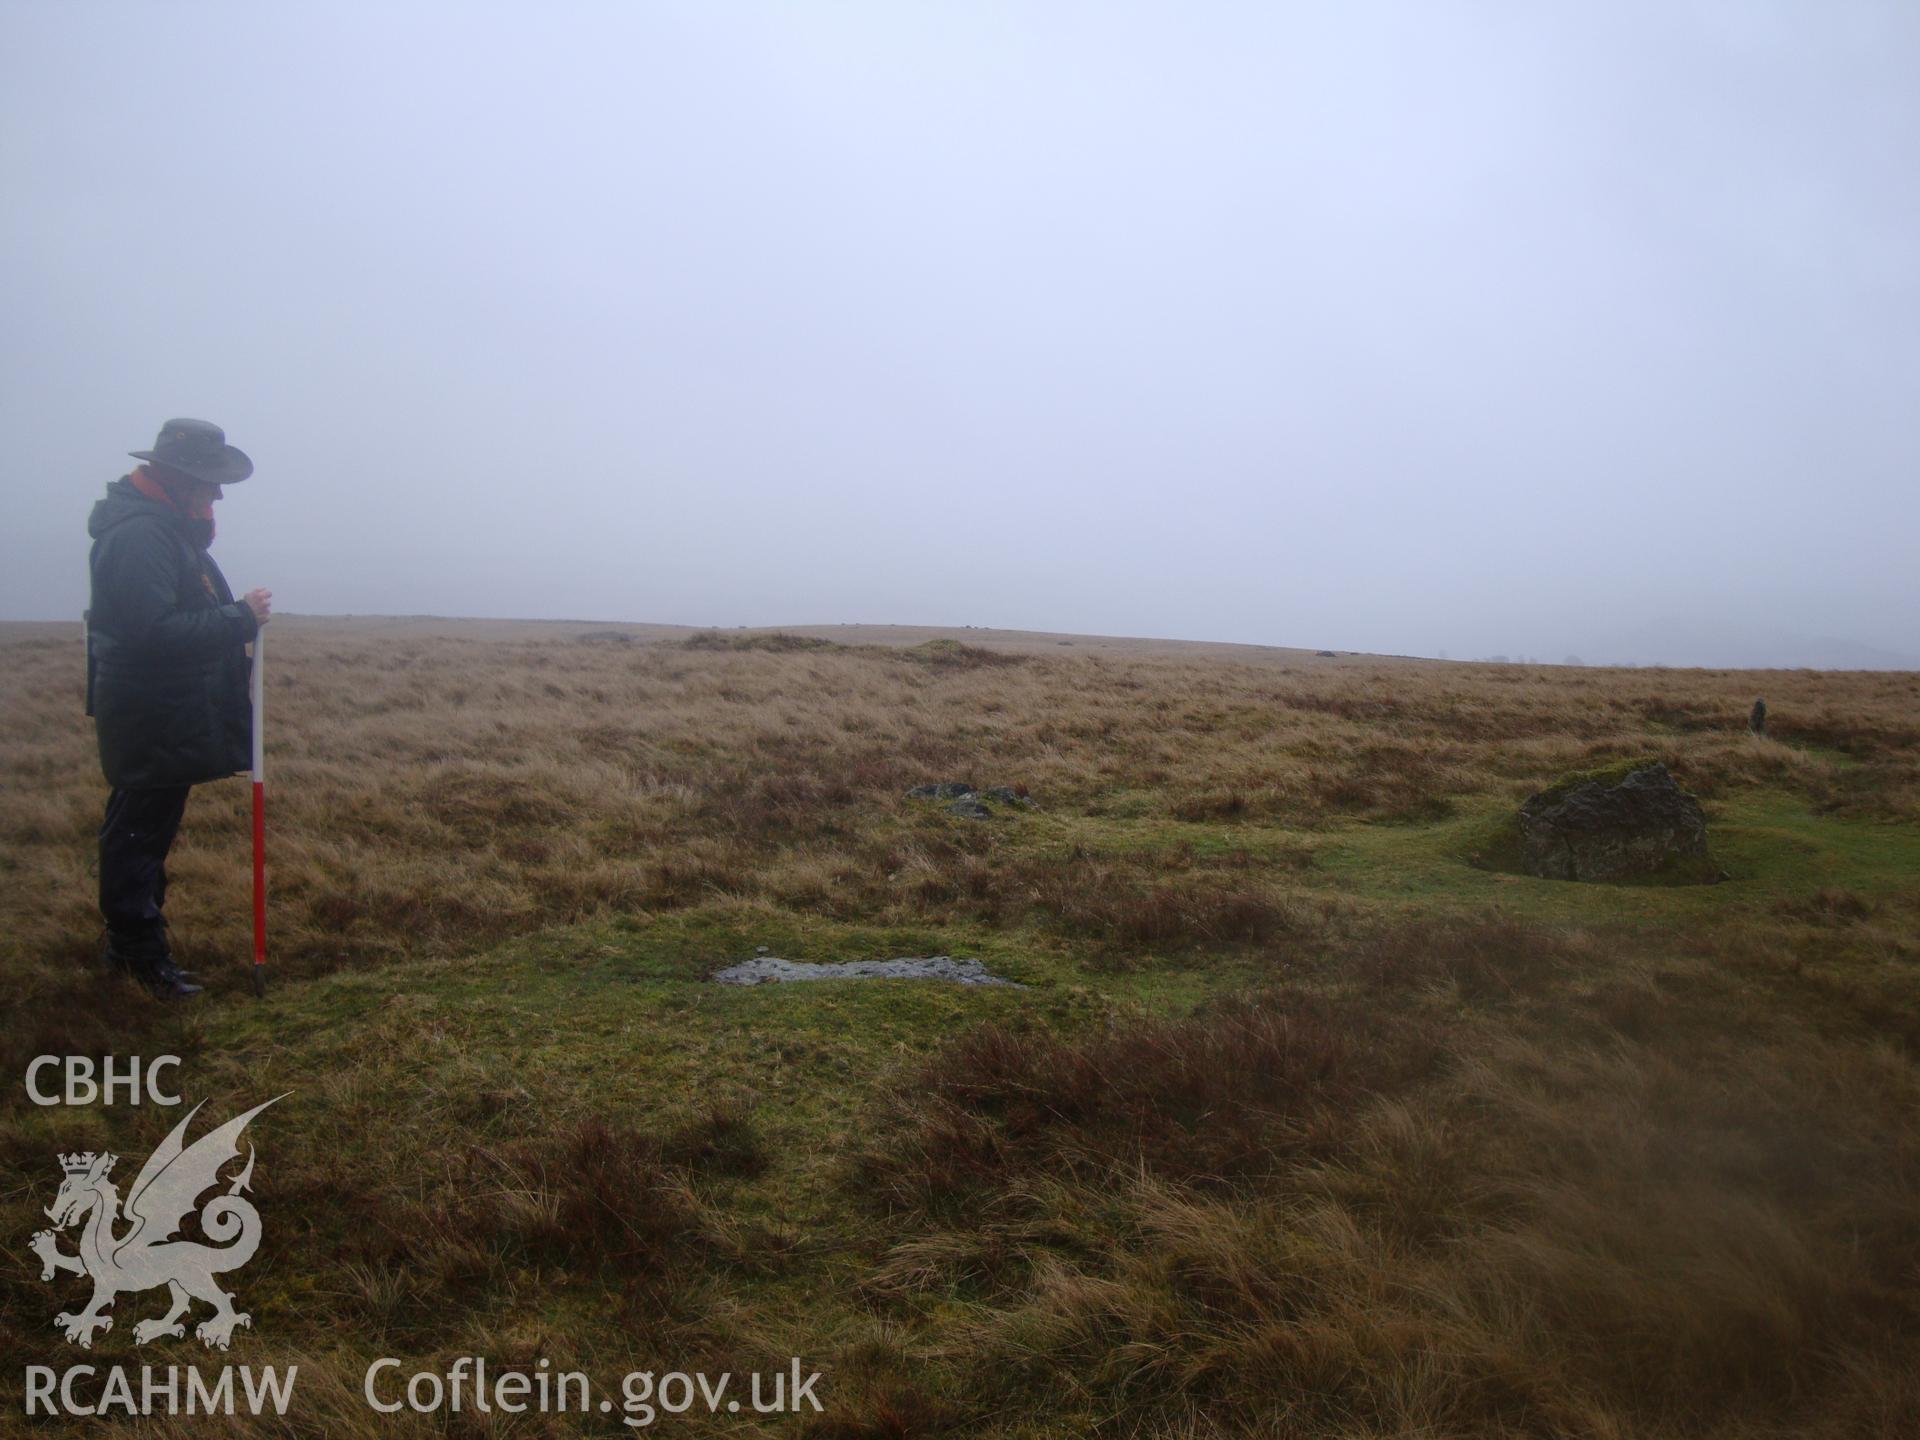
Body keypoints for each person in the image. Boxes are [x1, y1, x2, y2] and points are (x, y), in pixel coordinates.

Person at [85, 419, 271, 999]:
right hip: (151, 714)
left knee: (144, 832)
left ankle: (136, 949)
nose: (216, 496)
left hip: (161, 712)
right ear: (177, 479)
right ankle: (138, 957)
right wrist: (240, 618)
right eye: (208, 485)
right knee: (138, 835)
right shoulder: (142, 536)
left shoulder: (166, 533)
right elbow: (152, 631)